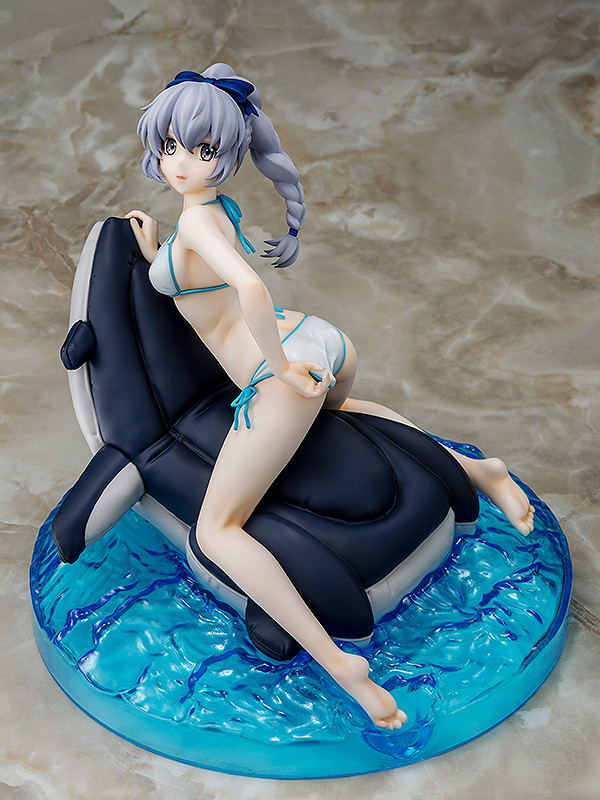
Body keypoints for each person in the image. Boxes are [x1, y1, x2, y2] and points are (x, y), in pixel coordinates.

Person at [125, 63, 534, 732]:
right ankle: (476, 469)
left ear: (226, 155)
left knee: (217, 531)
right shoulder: (213, 211)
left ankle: (339, 664)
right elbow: (202, 277)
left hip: (279, 367)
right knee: (342, 417)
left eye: (200, 150)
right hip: (321, 337)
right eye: (170, 146)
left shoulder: (198, 223)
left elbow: (248, 289)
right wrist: (154, 254)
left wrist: (280, 372)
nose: (180, 162)